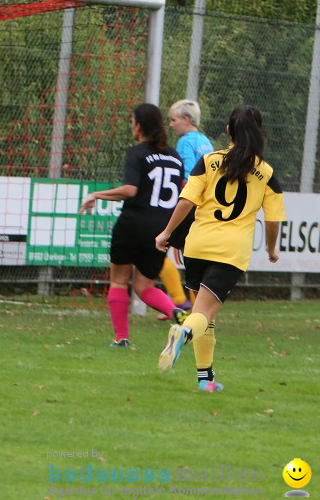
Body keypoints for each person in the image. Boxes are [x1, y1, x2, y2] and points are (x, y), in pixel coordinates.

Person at [154, 105, 285, 392]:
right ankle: (183, 332)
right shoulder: (266, 173)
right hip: (230, 252)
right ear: (260, 133)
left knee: (206, 315)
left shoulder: (208, 160)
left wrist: (167, 232)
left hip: (197, 246)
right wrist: (272, 249)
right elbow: (274, 218)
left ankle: (206, 381)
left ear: (228, 130)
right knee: (201, 316)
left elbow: (187, 201)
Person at [81, 103, 188, 349]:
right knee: (144, 286)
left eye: (132, 121)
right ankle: (177, 314)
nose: (131, 126)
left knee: (119, 281)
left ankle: (122, 338)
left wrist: (97, 195)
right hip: (161, 229)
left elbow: (130, 190)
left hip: (133, 224)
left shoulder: (137, 153)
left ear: (138, 126)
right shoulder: (175, 157)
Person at [162, 99, 215, 309]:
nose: (171, 124)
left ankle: (179, 303)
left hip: (190, 202)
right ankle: (196, 308)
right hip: (205, 204)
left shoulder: (185, 141)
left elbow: (189, 174)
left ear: (186, 119)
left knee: (156, 246)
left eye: (173, 120)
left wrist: (180, 202)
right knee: (192, 255)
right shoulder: (204, 140)